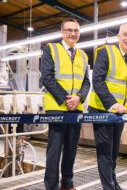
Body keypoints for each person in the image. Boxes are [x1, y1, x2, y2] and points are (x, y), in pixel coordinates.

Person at [88, 23, 127, 190]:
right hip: (102, 109)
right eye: (124, 34)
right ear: (118, 36)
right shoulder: (105, 52)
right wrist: (112, 103)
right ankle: (108, 187)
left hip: (120, 112)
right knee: (105, 152)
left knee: (113, 151)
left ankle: (113, 182)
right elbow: (97, 81)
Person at [41, 18, 90, 190]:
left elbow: (86, 82)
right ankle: (52, 186)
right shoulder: (51, 49)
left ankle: (67, 183)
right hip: (57, 107)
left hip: (76, 108)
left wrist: (79, 98)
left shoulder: (83, 55)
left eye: (76, 30)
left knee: (71, 149)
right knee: (54, 150)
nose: (72, 33)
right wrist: (66, 98)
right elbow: (46, 77)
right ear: (62, 31)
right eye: (69, 30)